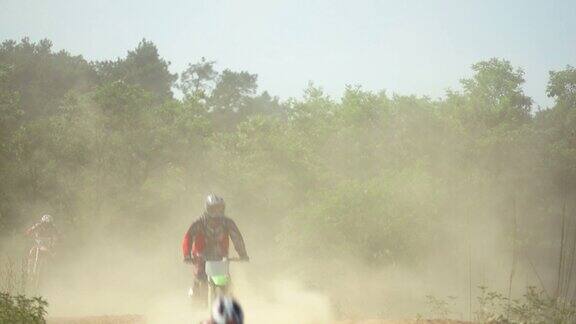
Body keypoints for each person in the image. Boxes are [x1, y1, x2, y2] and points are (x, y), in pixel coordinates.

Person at [182, 195, 249, 301]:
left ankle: (228, 304)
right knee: (200, 276)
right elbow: (188, 237)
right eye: (213, 209)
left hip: (220, 256)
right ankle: (196, 297)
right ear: (207, 208)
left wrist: (242, 254)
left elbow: (237, 238)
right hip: (200, 256)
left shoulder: (227, 223)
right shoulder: (199, 223)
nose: (216, 212)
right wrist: (187, 254)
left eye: (219, 208)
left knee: (225, 281)